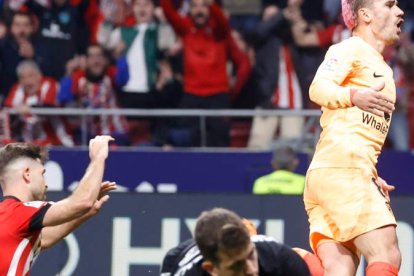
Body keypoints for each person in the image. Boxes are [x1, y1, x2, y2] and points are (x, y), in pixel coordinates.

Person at [304, 0, 404, 275]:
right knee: (386, 252)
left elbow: (357, 128)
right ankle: (291, 259)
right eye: (389, 4)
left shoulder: (379, 64)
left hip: (334, 171)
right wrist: (354, 95)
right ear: (366, 15)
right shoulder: (350, 48)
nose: (400, 11)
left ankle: (295, 263)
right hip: (343, 169)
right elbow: (318, 88)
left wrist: (367, 170)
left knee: (340, 267)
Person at [0, 135, 116, 275]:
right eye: (42, 174)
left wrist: (84, 213)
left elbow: (44, 239)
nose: (46, 184)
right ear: (27, 175)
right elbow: (83, 201)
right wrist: (98, 158)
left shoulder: (8, 216)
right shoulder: (20, 212)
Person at [161, 207, 310, 275]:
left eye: (251, 254)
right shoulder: (184, 270)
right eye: (237, 265)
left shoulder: (282, 260)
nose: (252, 269)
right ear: (211, 269)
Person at [4, 60, 74, 146]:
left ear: (39, 76)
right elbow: (6, 109)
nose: (27, 82)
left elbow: (49, 107)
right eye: (23, 78)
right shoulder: (17, 89)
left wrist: (30, 109)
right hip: (29, 146)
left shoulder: (49, 84)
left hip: (58, 143)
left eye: (31, 76)